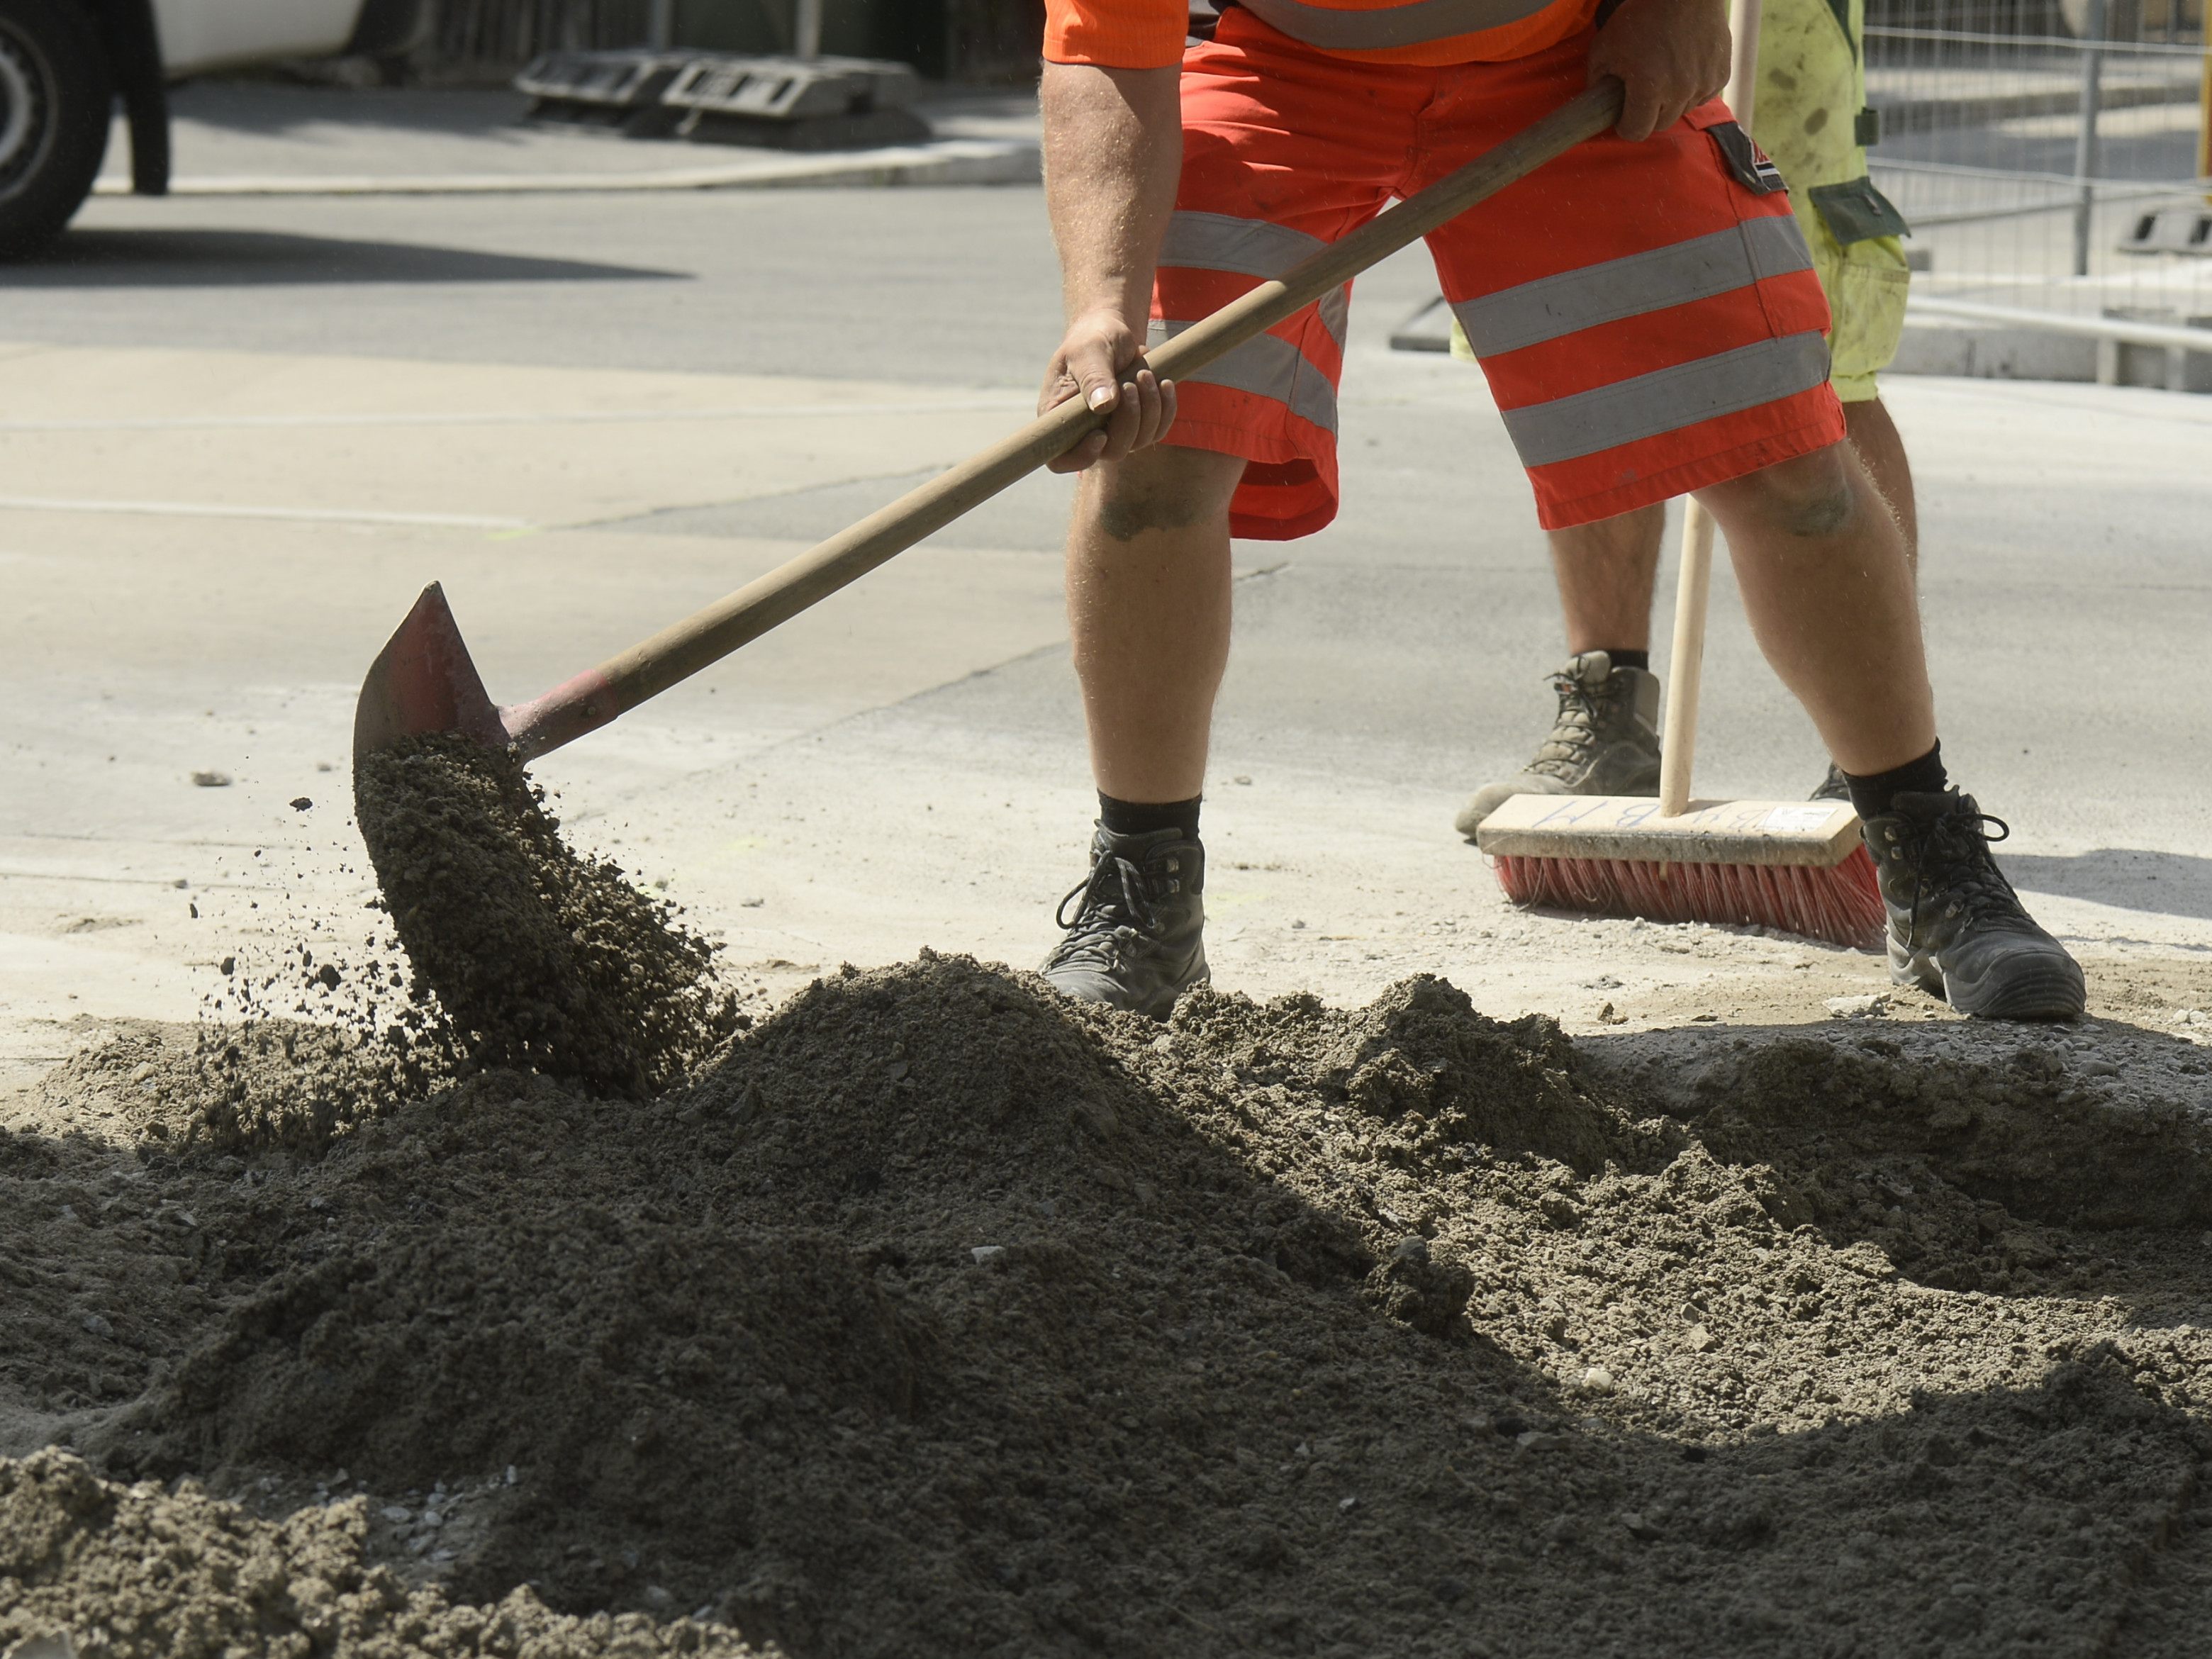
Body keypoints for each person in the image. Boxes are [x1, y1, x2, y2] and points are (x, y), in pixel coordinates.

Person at [1032, 0, 2084, 1022]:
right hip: (1274, 66)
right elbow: (1106, 52)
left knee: (1788, 463)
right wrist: (1102, 308)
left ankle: (1929, 861)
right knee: (1148, 454)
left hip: (1566, 57)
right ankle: (1142, 899)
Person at [1455, 0, 1918, 831]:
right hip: (1548, 24)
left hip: (1773, 29)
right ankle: (1607, 712)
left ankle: (1883, 765)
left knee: (1813, 362)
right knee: (1582, 355)